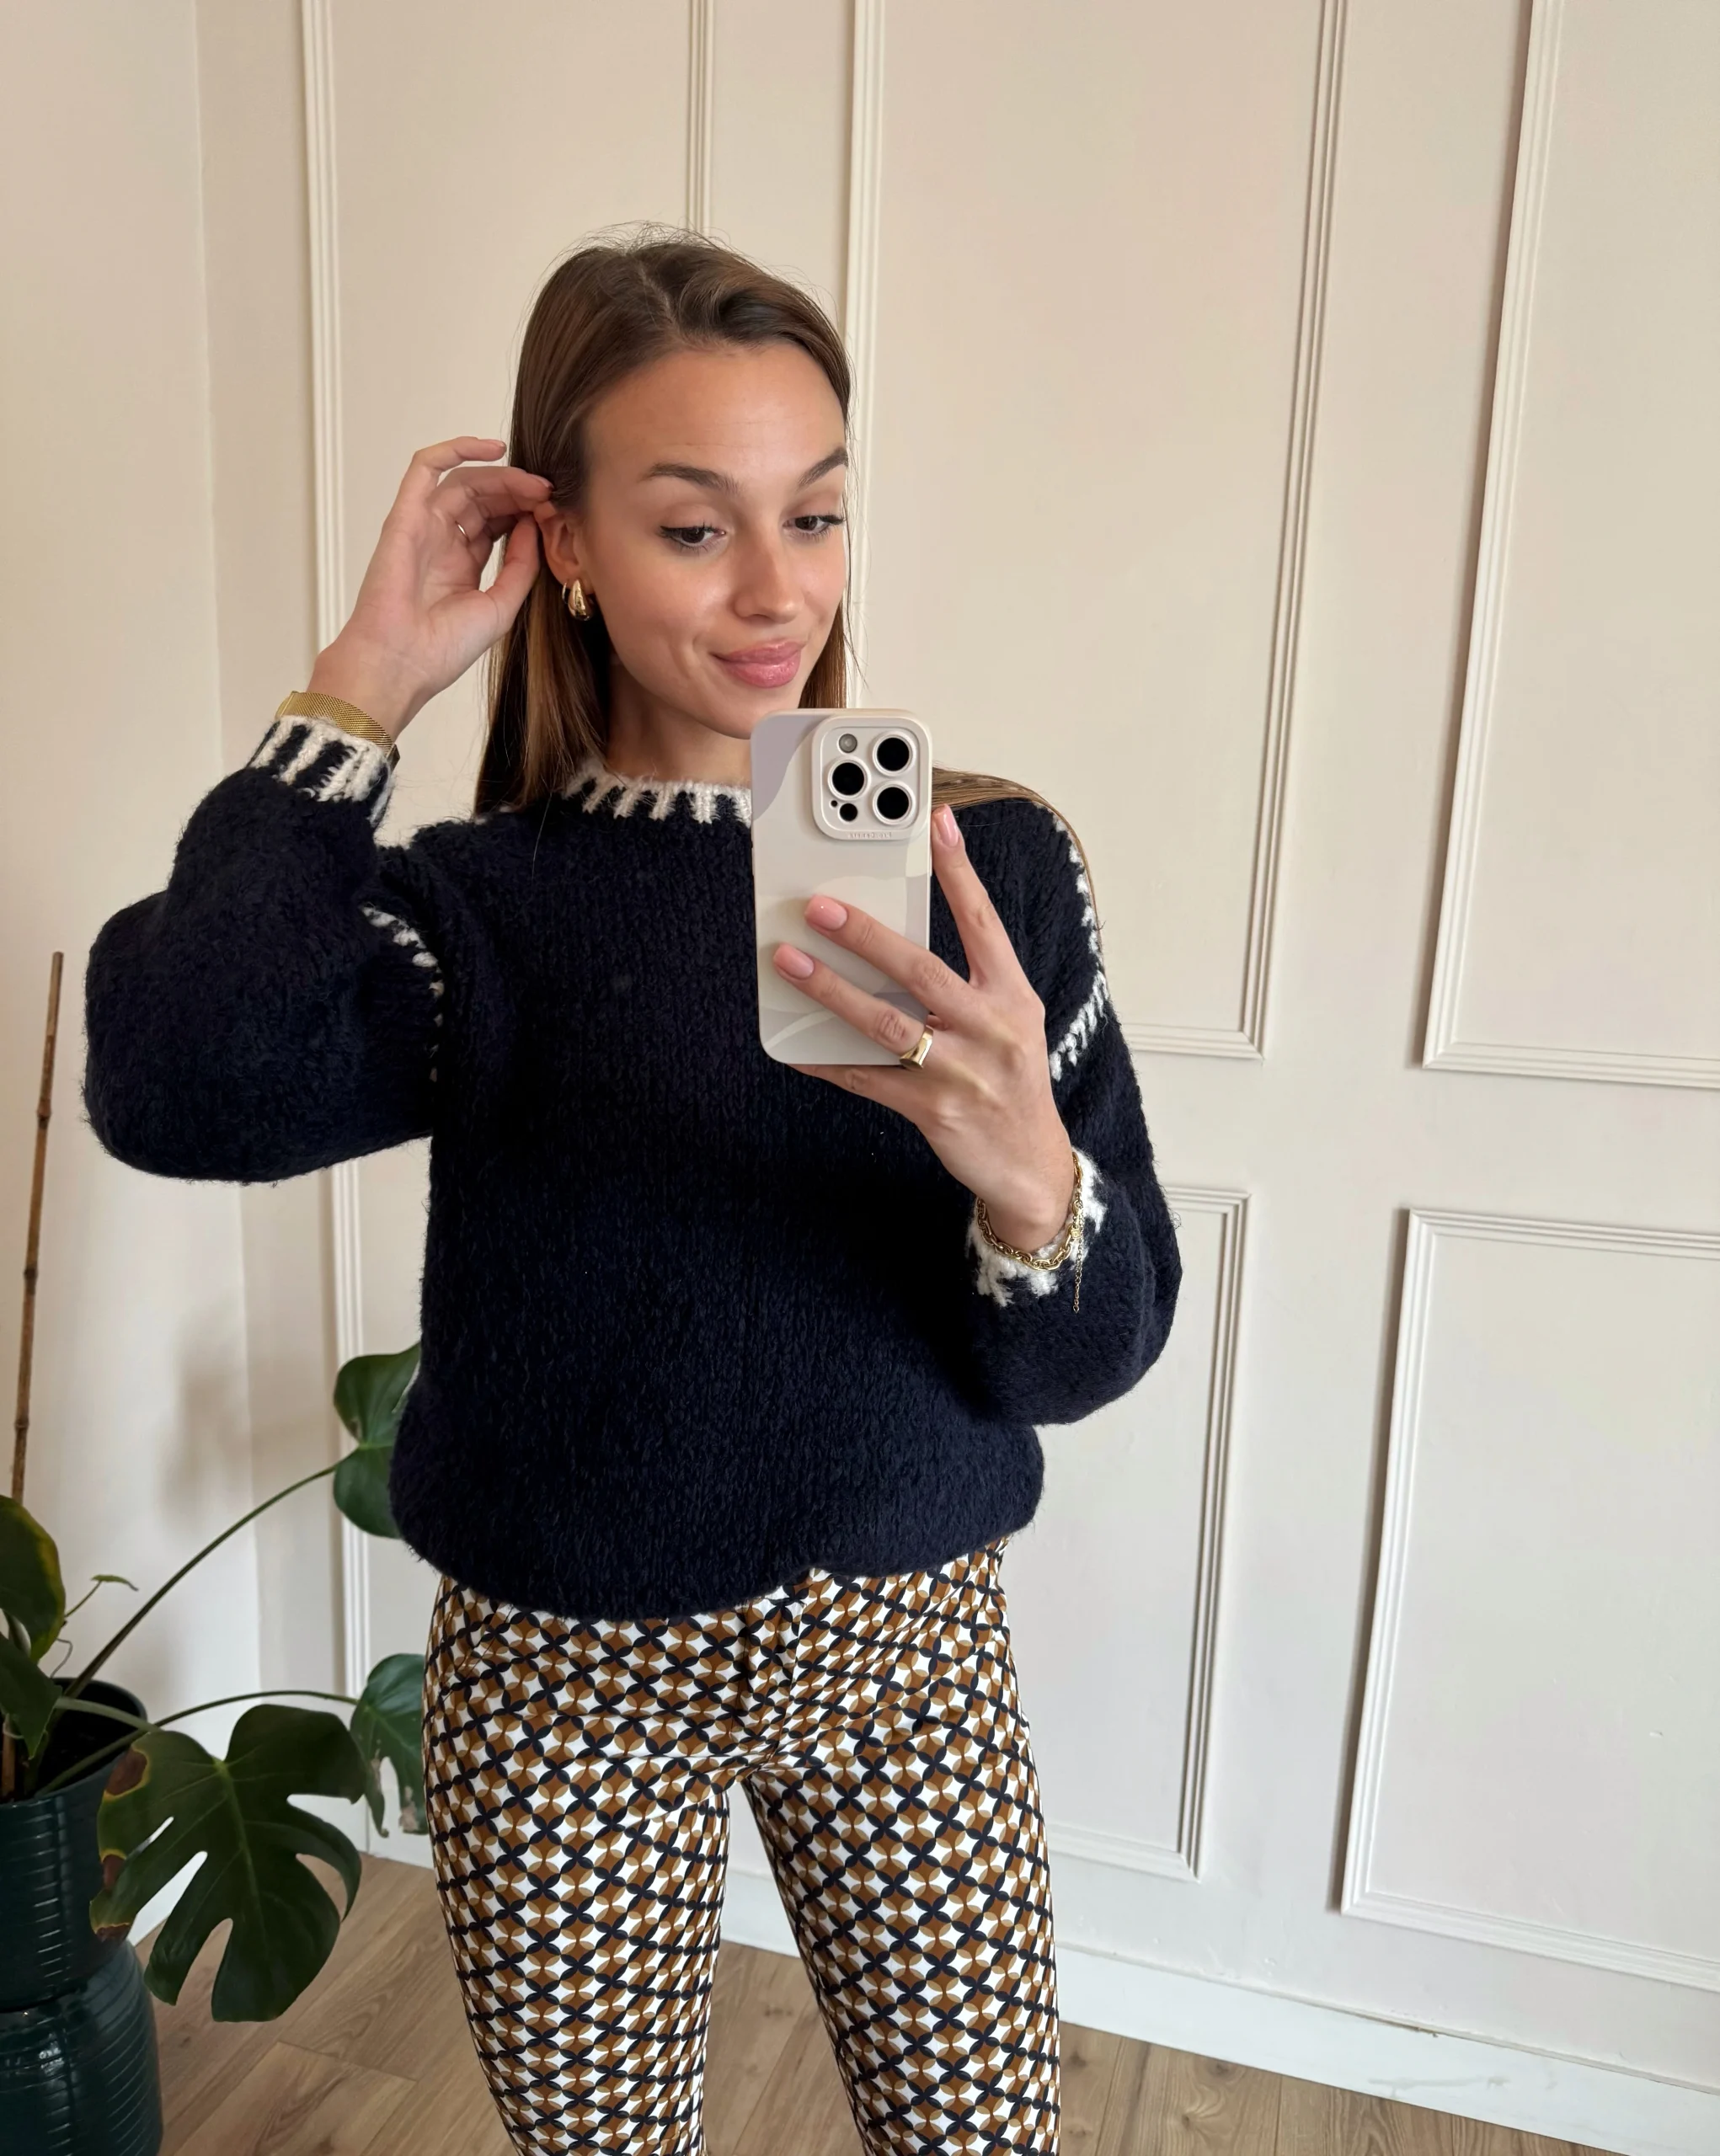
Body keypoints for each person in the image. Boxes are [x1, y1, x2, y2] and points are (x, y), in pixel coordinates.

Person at [83, 232, 1181, 2156]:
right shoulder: (478, 911)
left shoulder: (987, 869)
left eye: (815, 513)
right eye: (693, 528)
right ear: (566, 546)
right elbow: (184, 1083)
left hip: (906, 1658)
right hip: (564, 1689)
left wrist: (1029, 1178)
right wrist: (364, 681)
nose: (779, 591)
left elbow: (1090, 1355)